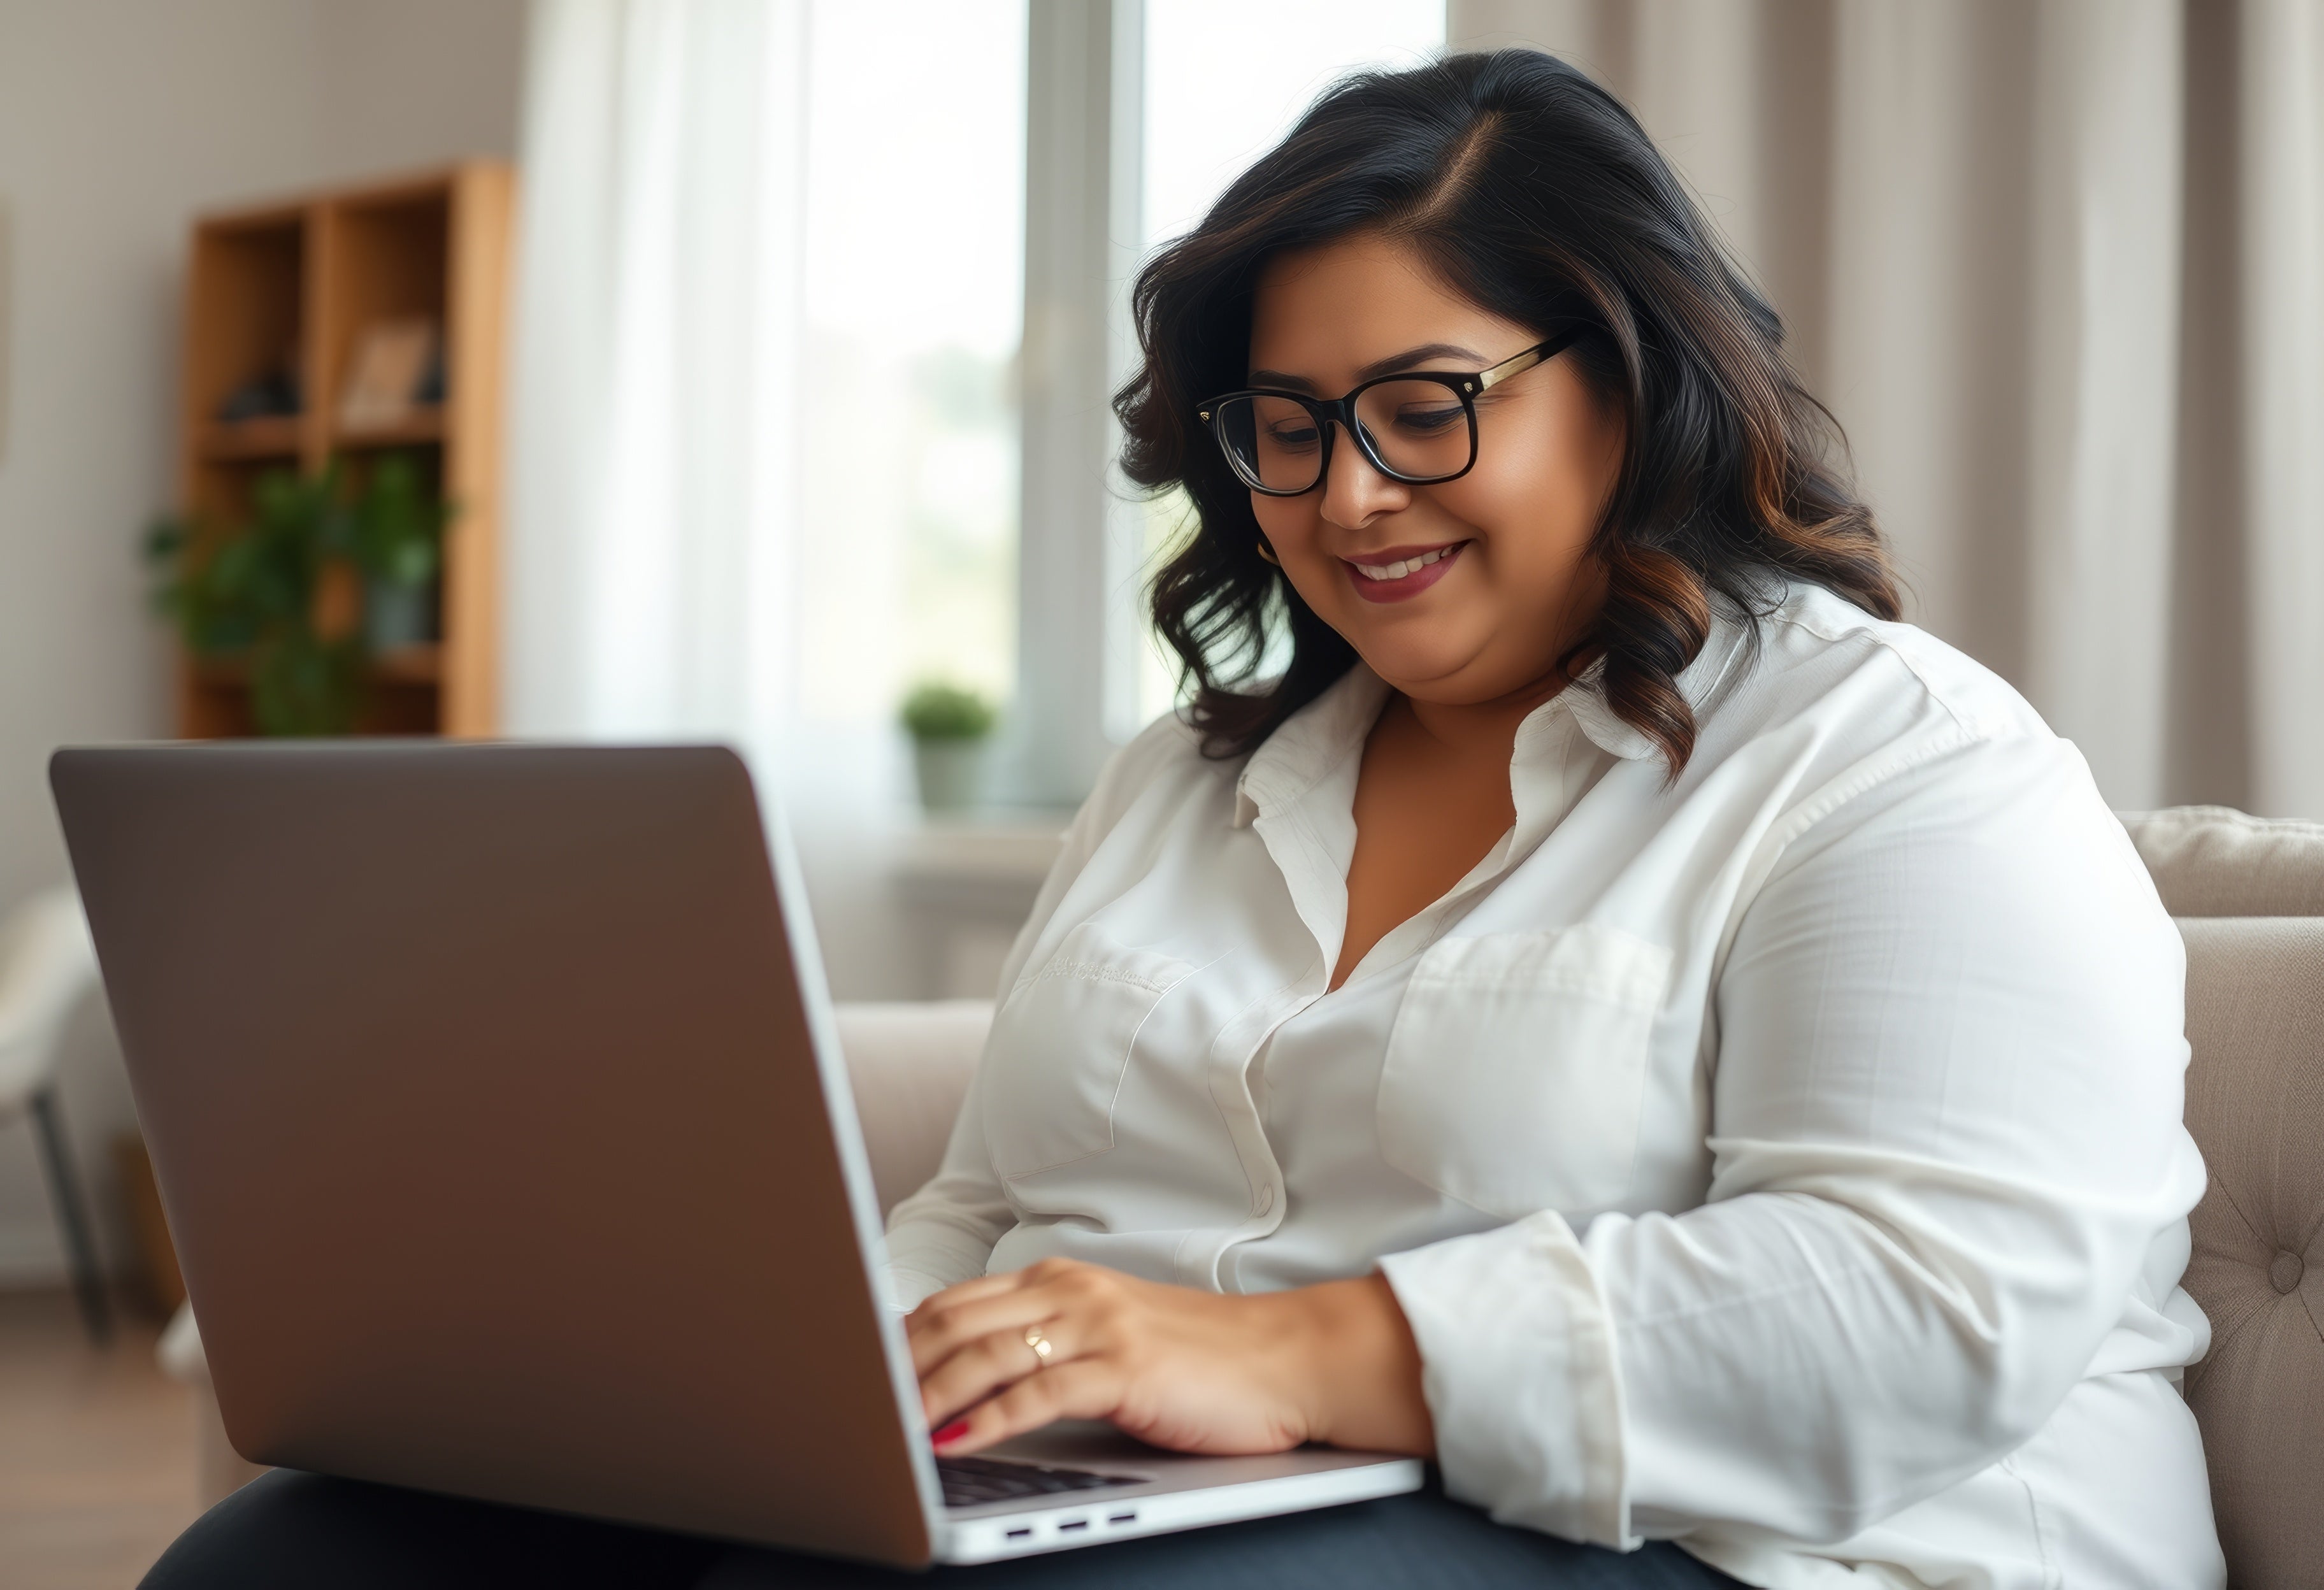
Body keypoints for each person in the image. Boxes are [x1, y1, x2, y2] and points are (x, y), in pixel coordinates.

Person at [146, 48, 2222, 1589]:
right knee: (295, 1561)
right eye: (1288, 431)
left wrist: (1305, 1355)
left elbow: (1921, 1304)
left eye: (1428, 405)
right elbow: (986, 1203)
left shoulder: (1902, 771)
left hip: (1747, 1542)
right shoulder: (1194, 776)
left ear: (1632, 376)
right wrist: (799, 1400)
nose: (1345, 497)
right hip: (1190, 1505)